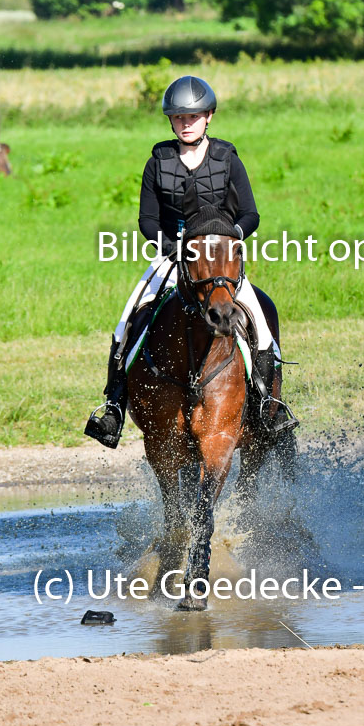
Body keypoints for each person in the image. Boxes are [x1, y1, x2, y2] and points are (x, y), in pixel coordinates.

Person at [84, 75, 297, 449]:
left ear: (209, 116)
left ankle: (269, 403)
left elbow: (251, 214)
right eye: (179, 117)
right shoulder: (158, 162)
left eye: (194, 116)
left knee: (261, 325)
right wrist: (173, 247)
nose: (186, 123)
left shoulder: (228, 157)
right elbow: (147, 220)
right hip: (173, 257)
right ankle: (113, 408)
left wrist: (227, 241)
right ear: (171, 120)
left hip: (219, 260)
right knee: (125, 325)